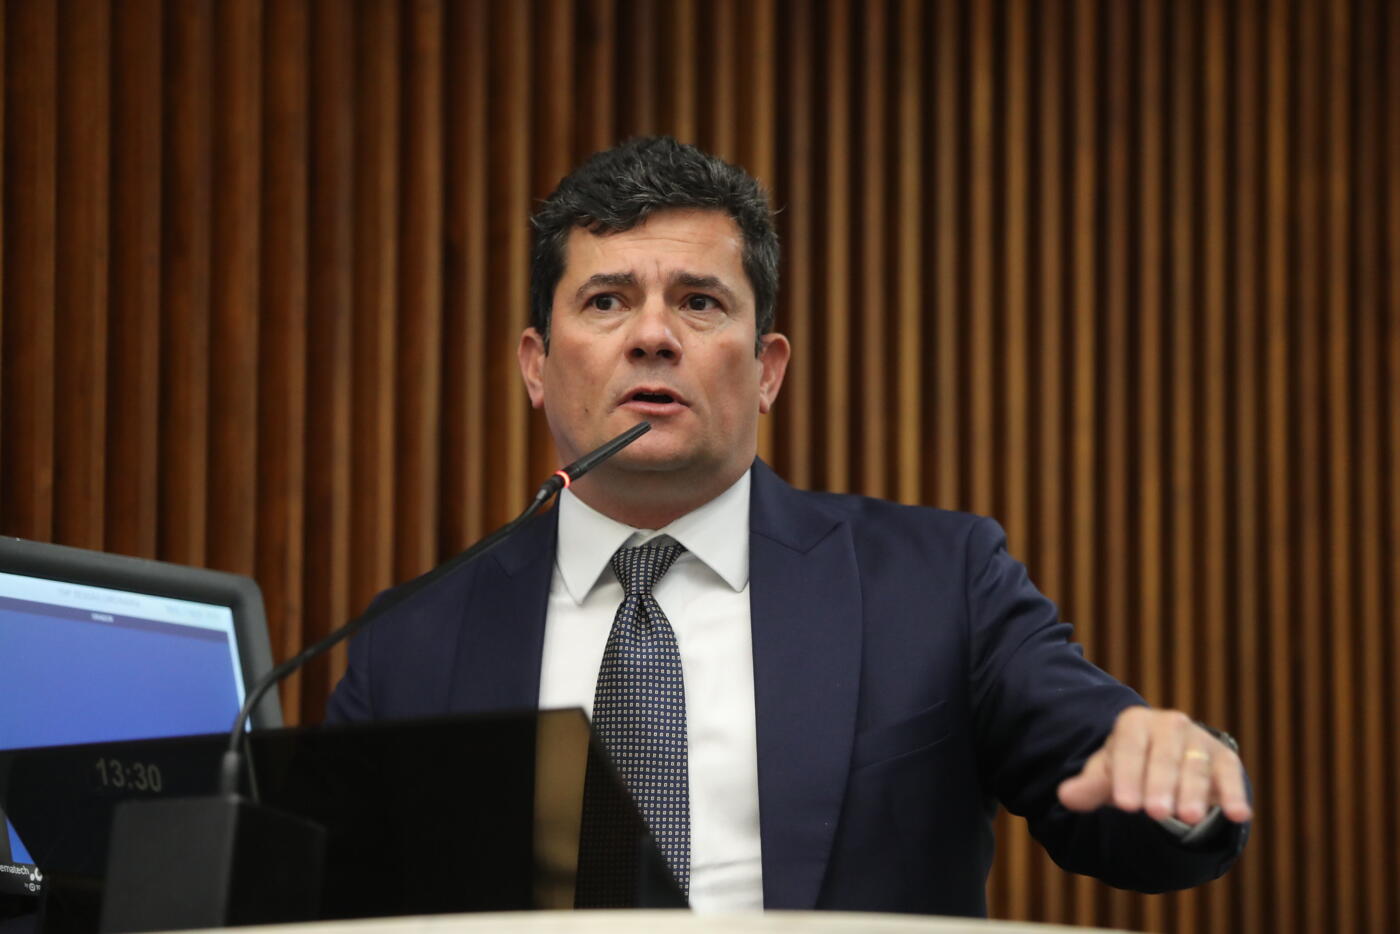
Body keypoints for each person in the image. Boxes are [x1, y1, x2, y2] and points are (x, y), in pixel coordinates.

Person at [326, 136, 1250, 915]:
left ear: (767, 370)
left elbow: (1115, 794)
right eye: (606, 301)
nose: (653, 336)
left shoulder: (938, 585)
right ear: (536, 366)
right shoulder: (410, 641)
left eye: (700, 302)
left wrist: (1178, 776)